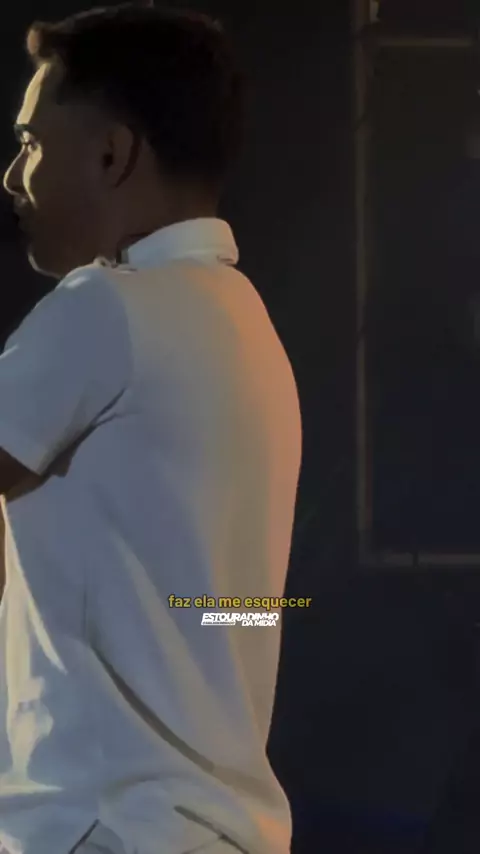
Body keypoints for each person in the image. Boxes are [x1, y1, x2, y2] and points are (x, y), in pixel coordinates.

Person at [0, 4, 302, 854]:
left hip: (102, 824)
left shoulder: (106, 308)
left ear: (111, 154)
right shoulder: (246, 326)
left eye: (31, 144)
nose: (13, 177)